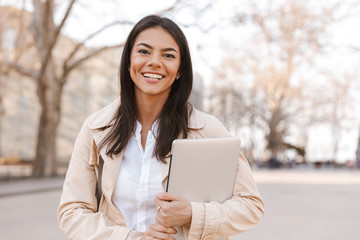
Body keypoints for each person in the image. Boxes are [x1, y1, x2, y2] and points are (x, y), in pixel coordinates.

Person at [57, 15, 264, 240]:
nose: (155, 61)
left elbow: (251, 206)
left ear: (180, 70)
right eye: (144, 51)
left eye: (168, 55)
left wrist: (193, 214)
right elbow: (72, 212)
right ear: (129, 61)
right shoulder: (96, 129)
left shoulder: (208, 130)